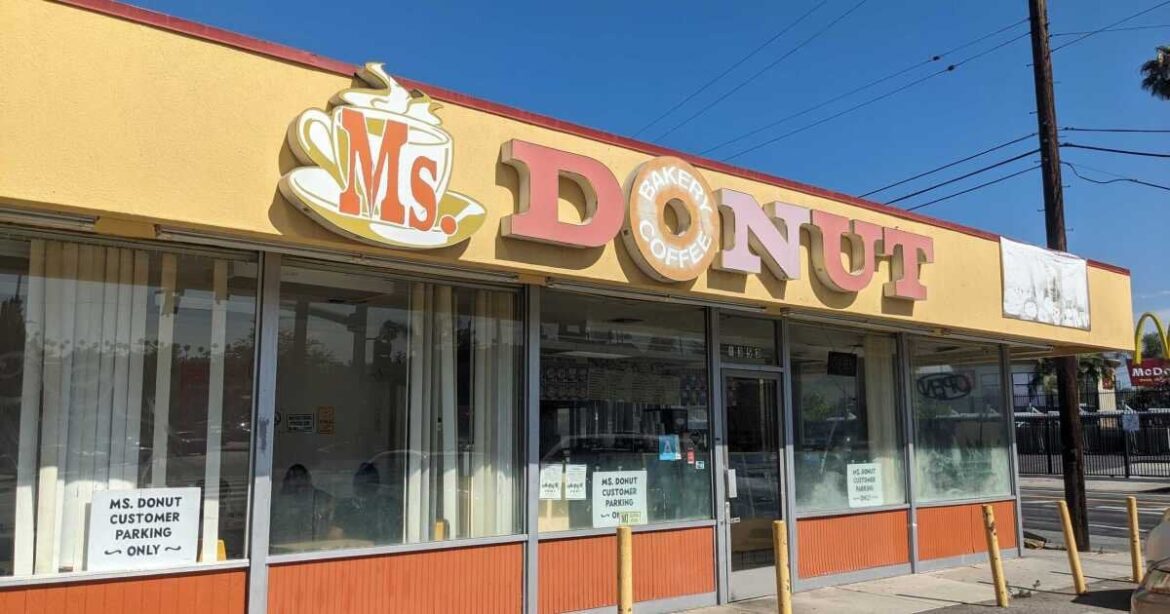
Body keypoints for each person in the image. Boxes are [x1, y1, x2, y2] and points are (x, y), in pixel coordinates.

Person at [271, 464, 334, 546]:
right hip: (285, 548)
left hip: (316, 547)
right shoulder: (279, 502)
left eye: (300, 476)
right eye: (292, 477)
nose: (297, 480)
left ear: (308, 478)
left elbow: (331, 522)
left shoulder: (322, 498)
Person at [334, 462, 397, 544]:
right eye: (360, 482)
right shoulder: (345, 506)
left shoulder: (388, 505)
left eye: (369, 483)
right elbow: (335, 536)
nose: (363, 486)